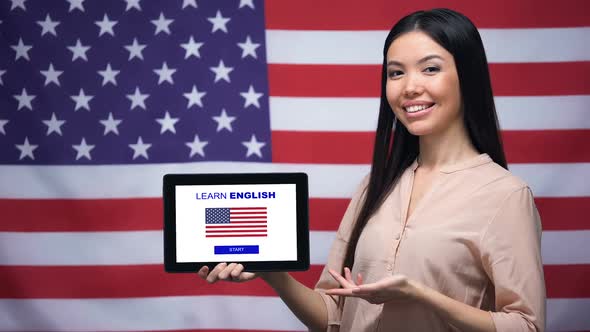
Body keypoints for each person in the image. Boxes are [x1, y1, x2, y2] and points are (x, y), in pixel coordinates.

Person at [198, 8, 546, 332]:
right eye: (396, 72)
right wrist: (275, 276)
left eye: (430, 68)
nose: (409, 87)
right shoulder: (374, 186)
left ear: (466, 77)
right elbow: (333, 316)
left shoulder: (506, 195)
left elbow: (526, 325)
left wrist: (421, 294)